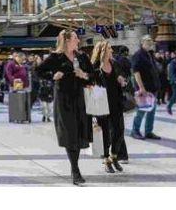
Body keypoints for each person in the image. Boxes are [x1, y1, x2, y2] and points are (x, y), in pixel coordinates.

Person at [35, 29, 93, 185]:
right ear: (67, 40)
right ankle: (75, 170)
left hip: (80, 99)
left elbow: (93, 75)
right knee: (69, 133)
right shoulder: (56, 57)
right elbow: (38, 71)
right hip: (63, 99)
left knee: (79, 133)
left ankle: (75, 167)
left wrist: (84, 76)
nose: (78, 41)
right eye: (75, 38)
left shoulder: (82, 57)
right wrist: (52, 76)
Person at [90, 41, 126, 174]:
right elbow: (89, 84)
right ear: (102, 51)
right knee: (105, 133)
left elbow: (122, 76)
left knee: (119, 130)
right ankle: (106, 159)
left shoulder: (115, 64)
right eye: (109, 48)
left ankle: (114, 156)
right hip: (101, 104)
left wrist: (122, 80)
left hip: (116, 102)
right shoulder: (95, 67)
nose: (111, 50)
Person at [131, 35, 161, 140]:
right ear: (142, 43)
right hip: (144, 88)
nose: (150, 45)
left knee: (151, 111)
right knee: (142, 110)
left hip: (153, 87)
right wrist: (141, 87)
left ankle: (148, 131)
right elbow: (136, 72)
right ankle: (135, 131)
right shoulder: (138, 55)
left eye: (151, 43)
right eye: (147, 43)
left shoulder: (149, 55)